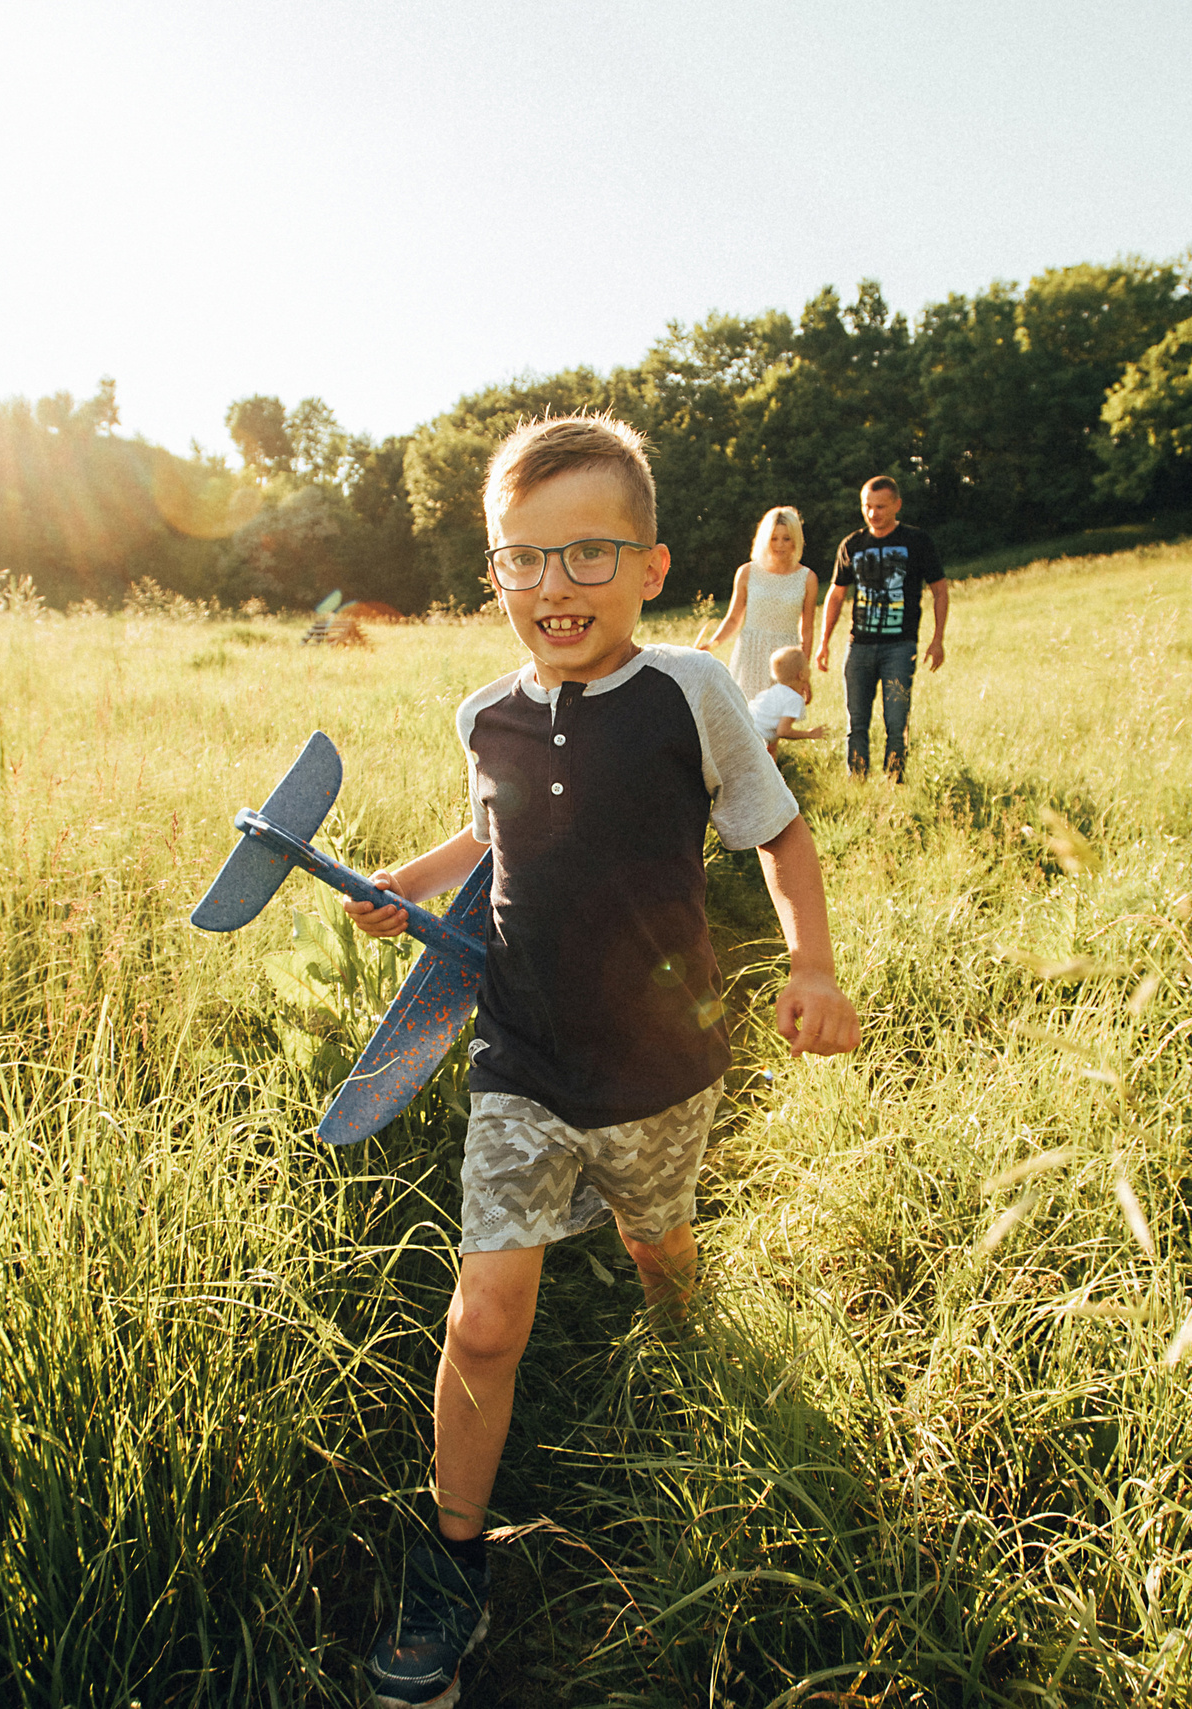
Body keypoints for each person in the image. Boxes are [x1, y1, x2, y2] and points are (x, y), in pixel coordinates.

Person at [342, 415, 861, 1708]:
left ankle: (681, 1325)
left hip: (661, 1063)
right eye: (522, 560)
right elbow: (491, 834)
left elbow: (778, 839)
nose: (553, 588)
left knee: (659, 1241)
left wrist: (810, 968)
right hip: (521, 1054)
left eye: (587, 555)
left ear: (651, 564)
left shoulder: (693, 693)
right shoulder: (484, 716)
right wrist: (403, 882)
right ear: (493, 577)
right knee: (485, 1313)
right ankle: (453, 1556)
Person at [814, 475, 948, 782]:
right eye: (868, 506)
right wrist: (824, 642)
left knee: (896, 720)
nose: (874, 513)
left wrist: (937, 639)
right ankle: (857, 781)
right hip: (858, 645)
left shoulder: (917, 541)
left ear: (897, 505)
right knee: (856, 722)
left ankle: (894, 783)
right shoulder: (852, 544)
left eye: (881, 506)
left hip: (900, 647)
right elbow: (836, 595)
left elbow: (940, 590)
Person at [691, 505, 819, 702]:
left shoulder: (807, 578)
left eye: (786, 538)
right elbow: (733, 619)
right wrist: (711, 644)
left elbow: (807, 630)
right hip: (751, 653)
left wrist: (803, 671)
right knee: (746, 716)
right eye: (774, 538)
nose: (780, 545)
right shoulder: (747, 572)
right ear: (764, 539)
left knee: (779, 720)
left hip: (786, 659)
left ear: (796, 540)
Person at [747, 645, 831, 758]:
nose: (810, 669)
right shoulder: (794, 699)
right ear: (801, 675)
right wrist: (809, 734)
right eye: (807, 666)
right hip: (754, 738)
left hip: (745, 727)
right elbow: (783, 731)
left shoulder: (776, 690)